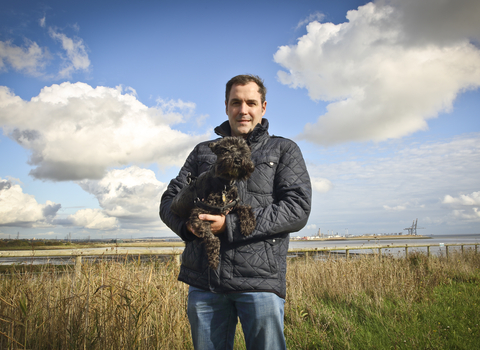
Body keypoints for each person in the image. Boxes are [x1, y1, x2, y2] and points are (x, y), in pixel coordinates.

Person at [160, 74, 311, 350]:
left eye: (251, 102)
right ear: (226, 106)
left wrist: (227, 226)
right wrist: (187, 228)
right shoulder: (202, 152)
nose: (243, 110)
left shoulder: (283, 149)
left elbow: (297, 209)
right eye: (236, 102)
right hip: (206, 283)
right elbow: (168, 201)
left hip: (260, 283)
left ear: (263, 107)